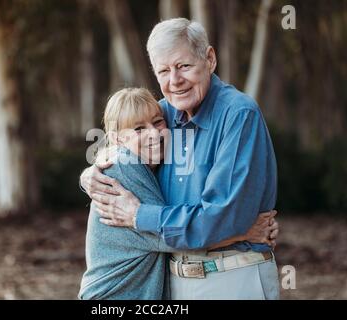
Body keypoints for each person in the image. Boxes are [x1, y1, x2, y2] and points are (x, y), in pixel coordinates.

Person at [80, 18, 280, 299]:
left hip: (231, 278)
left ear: (209, 59)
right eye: (164, 71)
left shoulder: (238, 115)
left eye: (183, 66)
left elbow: (222, 218)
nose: (175, 80)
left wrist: (139, 215)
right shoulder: (162, 116)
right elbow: (121, 143)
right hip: (174, 283)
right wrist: (91, 174)